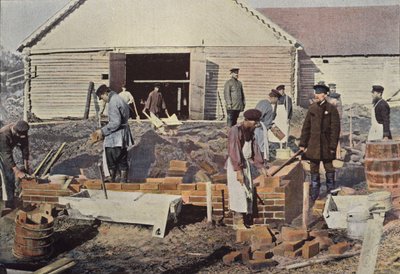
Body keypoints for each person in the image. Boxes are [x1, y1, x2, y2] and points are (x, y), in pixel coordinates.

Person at [299, 84, 340, 202]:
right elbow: (306, 127)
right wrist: (303, 144)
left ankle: (330, 192)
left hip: (327, 145)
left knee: (329, 168)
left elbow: (335, 130)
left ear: (325, 95)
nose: (316, 95)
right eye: (315, 93)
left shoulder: (332, 109)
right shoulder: (312, 108)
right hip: (314, 144)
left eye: (319, 93)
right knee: (314, 169)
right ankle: (315, 194)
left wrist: (333, 146)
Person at [226, 109, 267, 229]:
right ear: (247, 120)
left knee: (247, 192)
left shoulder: (251, 131)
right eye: (255, 122)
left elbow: (255, 149)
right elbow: (234, 151)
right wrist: (238, 171)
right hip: (236, 165)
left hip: (245, 164)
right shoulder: (235, 130)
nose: (257, 125)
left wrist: (260, 166)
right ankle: (238, 223)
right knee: (238, 192)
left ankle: (246, 221)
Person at [92, 85, 134, 183]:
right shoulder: (119, 98)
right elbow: (129, 112)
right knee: (122, 156)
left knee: (111, 153)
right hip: (123, 133)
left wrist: (102, 131)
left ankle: (111, 178)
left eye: (102, 98)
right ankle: (123, 179)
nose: (104, 101)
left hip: (117, 135)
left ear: (105, 93)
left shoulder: (113, 101)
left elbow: (115, 123)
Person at [0, 120, 31, 210]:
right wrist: (17, 172)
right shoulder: (4, 134)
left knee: (10, 174)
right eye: (19, 135)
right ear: (15, 131)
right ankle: (8, 204)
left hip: (5, 152)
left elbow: (25, 148)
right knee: (7, 175)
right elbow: (6, 155)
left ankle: (10, 198)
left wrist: (26, 167)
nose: (20, 137)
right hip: (2, 152)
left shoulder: (22, 132)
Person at [254, 89, 280, 161]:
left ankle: (259, 160)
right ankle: (261, 161)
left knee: (258, 145)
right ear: (274, 98)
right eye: (277, 99)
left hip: (259, 127)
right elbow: (259, 116)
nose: (277, 101)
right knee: (261, 146)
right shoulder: (267, 105)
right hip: (261, 128)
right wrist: (258, 124)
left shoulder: (262, 102)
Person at [327, 83, 343, 159]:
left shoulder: (338, 97)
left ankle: (337, 155)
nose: (333, 90)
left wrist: (339, 118)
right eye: (331, 89)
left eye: (334, 89)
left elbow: (340, 110)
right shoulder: (327, 97)